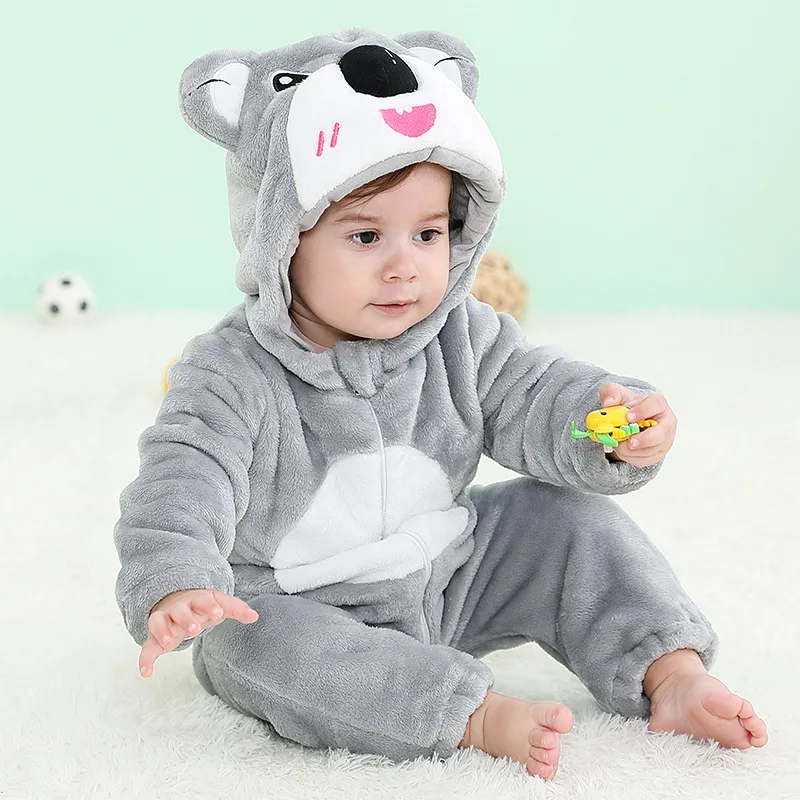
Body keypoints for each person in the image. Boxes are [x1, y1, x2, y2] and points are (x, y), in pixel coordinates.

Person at [114, 28, 767, 780]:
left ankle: (668, 671)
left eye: (428, 233)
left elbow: (532, 389)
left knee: (562, 516)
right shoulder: (230, 371)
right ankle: (467, 713)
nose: (405, 267)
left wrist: (606, 424)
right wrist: (179, 577)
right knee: (251, 645)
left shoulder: (460, 334)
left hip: (453, 575)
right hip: (305, 603)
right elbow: (181, 477)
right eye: (366, 236)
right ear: (280, 239)